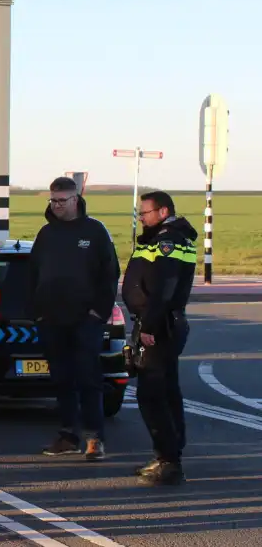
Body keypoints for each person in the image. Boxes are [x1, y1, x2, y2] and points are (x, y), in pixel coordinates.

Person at [28, 177, 120, 461]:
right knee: (62, 379)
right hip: (52, 320)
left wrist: (97, 313)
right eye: (52, 201)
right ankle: (68, 435)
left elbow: (110, 274)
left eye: (61, 201)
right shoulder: (46, 234)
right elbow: (32, 275)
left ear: (76, 200)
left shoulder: (94, 232)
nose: (56, 206)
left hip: (86, 321)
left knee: (88, 378)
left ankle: (95, 439)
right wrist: (38, 312)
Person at [121, 190, 196, 486]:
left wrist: (149, 327)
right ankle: (169, 454)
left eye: (145, 213)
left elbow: (162, 289)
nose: (141, 218)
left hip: (160, 326)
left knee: (153, 394)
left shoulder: (167, 242)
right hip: (161, 323)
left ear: (163, 212)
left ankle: (168, 461)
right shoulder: (164, 238)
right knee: (166, 391)